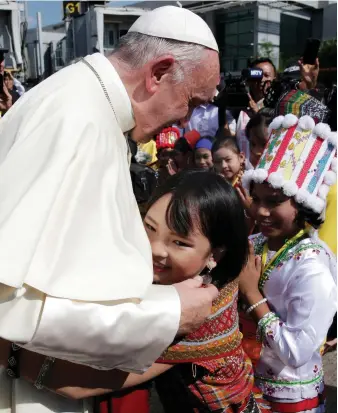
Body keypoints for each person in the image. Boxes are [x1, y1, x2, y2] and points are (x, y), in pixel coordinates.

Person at [0, 6, 220, 413]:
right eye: (190, 102)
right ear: (158, 73)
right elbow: (10, 306)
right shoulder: (76, 118)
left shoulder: (87, 106)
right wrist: (169, 313)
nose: (185, 118)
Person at [2, 171, 269, 413]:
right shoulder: (188, 276)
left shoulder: (199, 313)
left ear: (215, 254)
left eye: (179, 242)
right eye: (149, 227)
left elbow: (74, 384)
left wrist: (8, 350)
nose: (155, 248)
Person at [240, 113, 337, 412]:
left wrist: (253, 296)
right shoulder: (254, 244)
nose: (262, 211)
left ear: (302, 204)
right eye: (257, 199)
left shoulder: (313, 266)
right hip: (247, 384)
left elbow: (296, 352)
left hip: (291, 399)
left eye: (273, 202)